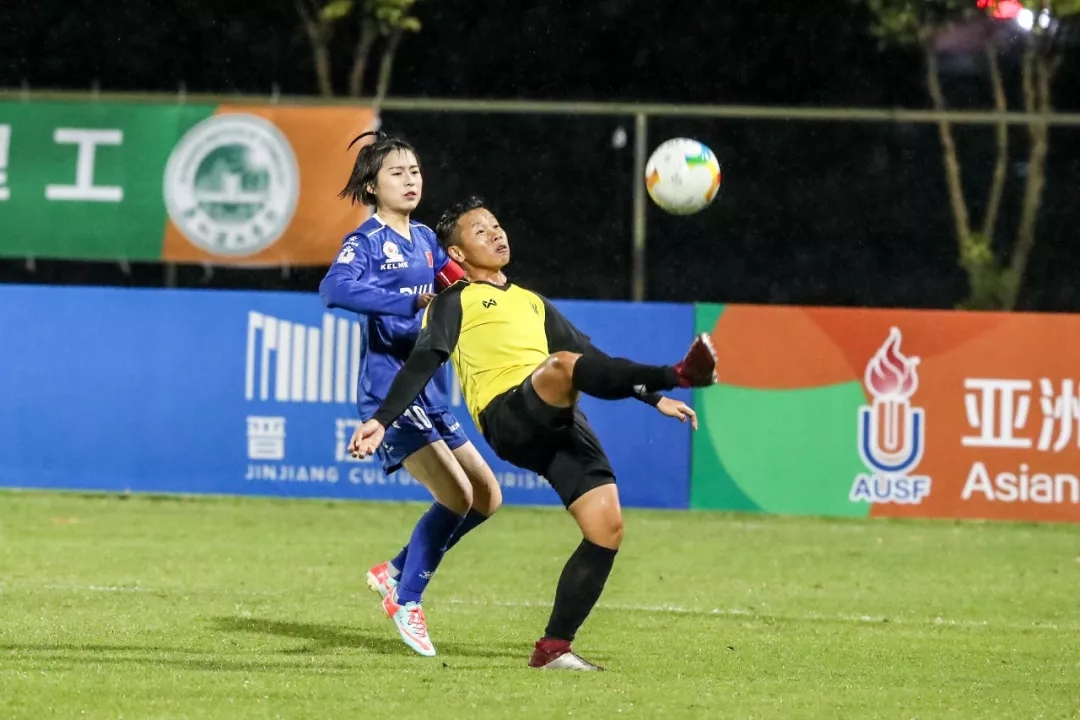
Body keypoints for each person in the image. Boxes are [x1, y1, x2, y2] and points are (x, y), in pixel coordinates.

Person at [347, 196, 718, 670]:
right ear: (457, 253)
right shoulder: (453, 301)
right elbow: (422, 362)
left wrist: (652, 398)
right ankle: (680, 372)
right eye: (480, 231)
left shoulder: (531, 302)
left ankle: (553, 649)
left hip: (558, 420)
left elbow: (593, 358)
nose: (496, 234)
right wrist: (381, 419)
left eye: (496, 225)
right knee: (560, 366)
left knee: (606, 529)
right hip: (509, 416)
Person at [319, 136, 502, 659]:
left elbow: (457, 286)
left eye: (415, 170)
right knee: (457, 496)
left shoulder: (424, 239)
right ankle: (407, 599)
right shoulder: (367, 241)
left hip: (431, 390)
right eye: (397, 173)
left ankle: (397, 568)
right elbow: (334, 288)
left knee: (487, 497)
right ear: (372, 186)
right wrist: (404, 302)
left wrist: (487, 291)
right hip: (390, 393)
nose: (410, 179)